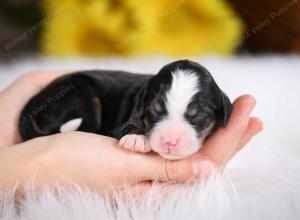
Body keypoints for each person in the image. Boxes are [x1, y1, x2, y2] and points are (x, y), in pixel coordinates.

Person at [0, 71, 262, 194]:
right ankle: (58, 130)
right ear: (144, 104)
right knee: (80, 90)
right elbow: (126, 126)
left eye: (197, 118)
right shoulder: (139, 99)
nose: (171, 138)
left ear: (221, 112)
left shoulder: (217, 105)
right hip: (76, 91)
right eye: (158, 112)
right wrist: (33, 161)